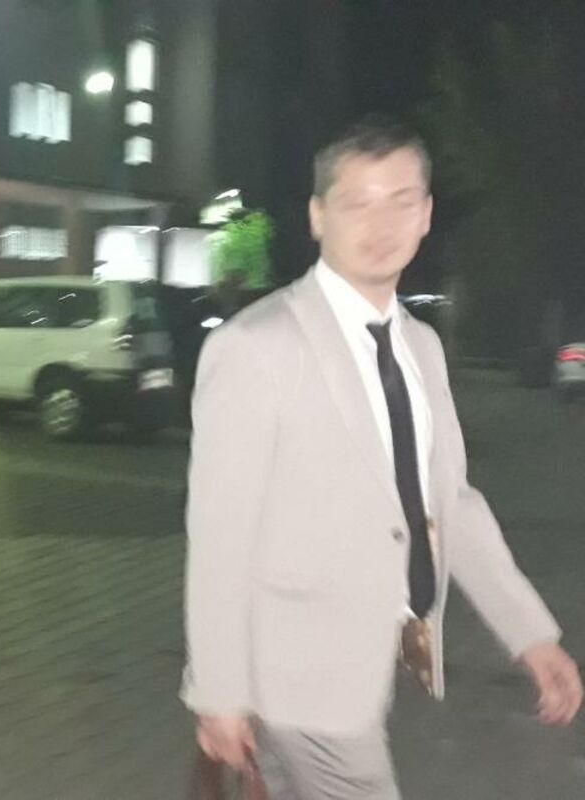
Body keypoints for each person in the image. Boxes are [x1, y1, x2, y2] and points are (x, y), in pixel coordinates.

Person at [180, 115, 582, 799]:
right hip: (298, 680)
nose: (381, 223)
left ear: (425, 216)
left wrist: (530, 635)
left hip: (370, 665)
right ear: (318, 217)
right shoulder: (257, 346)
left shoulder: (420, 345)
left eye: (400, 201)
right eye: (357, 203)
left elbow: (450, 502)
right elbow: (221, 534)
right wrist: (217, 691)